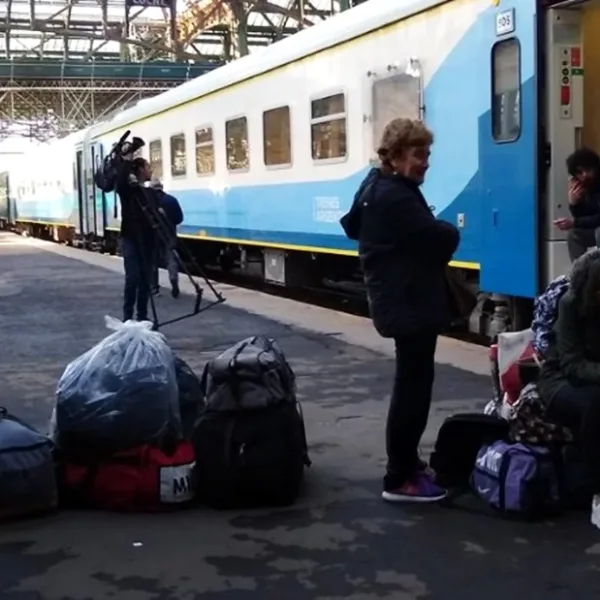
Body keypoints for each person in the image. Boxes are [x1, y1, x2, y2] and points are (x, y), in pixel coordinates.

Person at [355, 118, 460, 503]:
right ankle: (400, 477)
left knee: (412, 385)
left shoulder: (376, 187)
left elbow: (354, 227)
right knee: (412, 390)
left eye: (427, 155)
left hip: (403, 301)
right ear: (396, 156)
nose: (426, 163)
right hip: (408, 304)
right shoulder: (395, 196)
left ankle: (407, 465)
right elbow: (438, 238)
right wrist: (449, 229)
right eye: (419, 155)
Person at [538, 249, 600, 529]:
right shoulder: (570, 304)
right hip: (560, 380)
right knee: (595, 405)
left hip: (591, 376)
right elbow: (572, 364)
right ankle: (586, 483)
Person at [115, 156, 156, 322]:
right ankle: (127, 317)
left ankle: (142, 316)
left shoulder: (148, 193)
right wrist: (126, 161)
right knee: (133, 278)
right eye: (148, 167)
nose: (151, 170)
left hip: (146, 241)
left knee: (145, 279)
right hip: (131, 238)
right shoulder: (128, 192)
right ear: (140, 170)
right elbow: (120, 183)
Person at [554, 148, 600, 262]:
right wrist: (574, 204)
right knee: (573, 235)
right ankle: (580, 273)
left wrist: (574, 223)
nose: (584, 175)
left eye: (588, 169)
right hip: (593, 231)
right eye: (579, 172)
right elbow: (582, 220)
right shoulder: (582, 187)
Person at [149, 179, 184, 298]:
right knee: (171, 259)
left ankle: (154, 289)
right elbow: (179, 219)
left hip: (153, 236)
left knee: (153, 261)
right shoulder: (171, 200)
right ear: (162, 187)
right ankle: (173, 278)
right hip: (169, 234)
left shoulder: (148, 202)